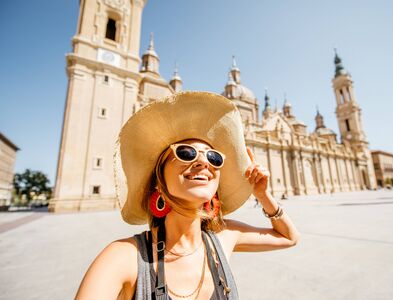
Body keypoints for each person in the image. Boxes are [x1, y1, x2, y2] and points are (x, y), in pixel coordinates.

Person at [75, 91, 300, 300]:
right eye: (186, 153)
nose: (202, 162)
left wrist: (262, 195)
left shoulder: (224, 236)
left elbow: (289, 238)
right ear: (158, 184)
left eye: (214, 158)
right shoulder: (122, 258)